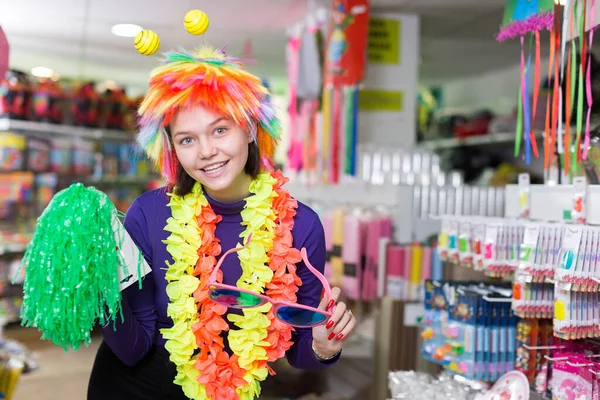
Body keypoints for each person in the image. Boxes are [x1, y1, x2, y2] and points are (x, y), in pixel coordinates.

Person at [87, 45, 356, 400]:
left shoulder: (301, 225)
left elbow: (300, 349)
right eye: (187, 139)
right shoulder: (149, 213)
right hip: (133, 389)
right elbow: (133, 347)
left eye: (219, 131)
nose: (206, 151)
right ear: (173, 149)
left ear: (247, 129)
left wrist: (324, 346)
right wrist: (103, 284)